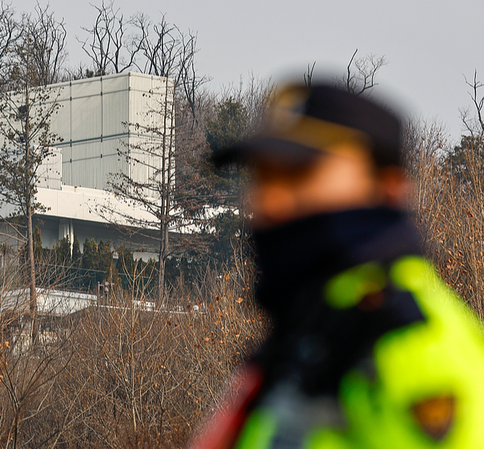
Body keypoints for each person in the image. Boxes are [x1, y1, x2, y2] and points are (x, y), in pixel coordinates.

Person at [188, 82, 484, 449]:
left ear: (387, 186)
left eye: (299, 173)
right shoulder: (310, 339)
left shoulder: (409, 342)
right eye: (263, 176)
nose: (269, 201)